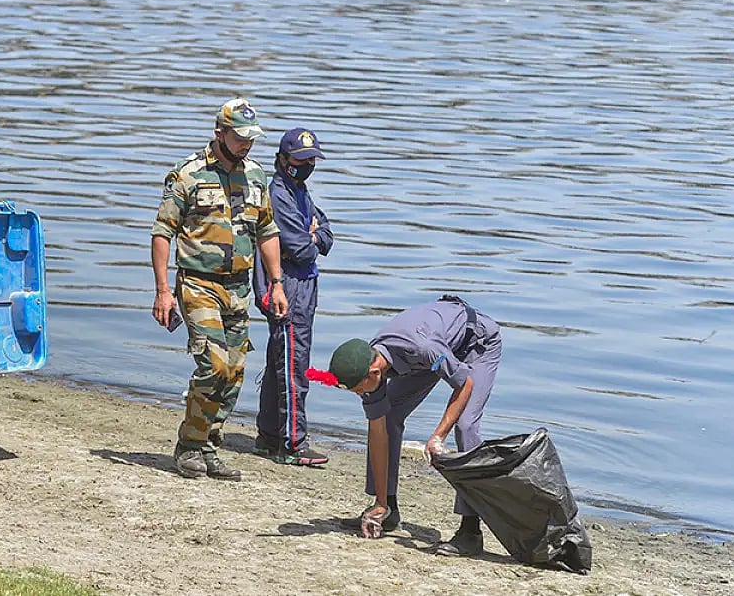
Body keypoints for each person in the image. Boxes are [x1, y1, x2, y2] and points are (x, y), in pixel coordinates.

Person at [151, 97, 289, 481]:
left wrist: (276, 283)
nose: (247, 144)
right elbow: (163, 232)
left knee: (234, 371)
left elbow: (267, 231)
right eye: (240, 137)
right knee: (212, 364)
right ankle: (189, 446)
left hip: (239, 287)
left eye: (251, 138)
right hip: (198, 283)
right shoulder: (187, 175)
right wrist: (163, 290)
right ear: (219, 133)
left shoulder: (256, 177)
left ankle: (210, 445)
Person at [314, 295, 501, 557]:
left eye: (358, 390)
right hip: (431, 354)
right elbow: (377, 431)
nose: (360, 395)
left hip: (476, 342)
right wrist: (379, 503)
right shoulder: (371, 363)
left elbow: (465, 384)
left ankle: (471, 532)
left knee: (465, 426)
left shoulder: (423, 348)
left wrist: (438, 436)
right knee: (389, 417)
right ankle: (388, 510)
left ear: (374, 373)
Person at [251, 128, 334, 466]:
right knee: (293, 365)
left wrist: (316, 236)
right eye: (301, 160)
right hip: (288, 287)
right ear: (284, 160)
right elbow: (301, 248)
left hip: (303, 284)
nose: (307, 165)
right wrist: (311, 237)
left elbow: (326, 233)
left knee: (279, 362)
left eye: (311, 159)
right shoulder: (279, 194)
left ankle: (269, 435)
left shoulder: (300, 190)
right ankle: (293, 443)